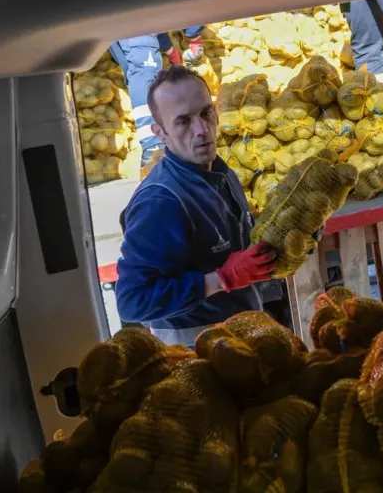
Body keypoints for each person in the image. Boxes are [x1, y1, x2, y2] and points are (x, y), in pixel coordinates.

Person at [115, 65, 288, 346]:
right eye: (183, 121)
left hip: (242, 333)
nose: (201, 130)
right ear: (160, 132)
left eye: (206, 113)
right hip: (195, 352)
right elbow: (132, 302)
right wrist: (221, 279)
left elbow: (241, 255)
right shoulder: (161, 201)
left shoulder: (219, 172)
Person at [108, 27, 205, 166]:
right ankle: (152, 147)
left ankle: (152, 147)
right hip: (136, 22)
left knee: (135, 73)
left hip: (119, 22)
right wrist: (194, 37)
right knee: (145, 72)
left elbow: (156, 18)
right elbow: (188, 7)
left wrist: (170, 51)